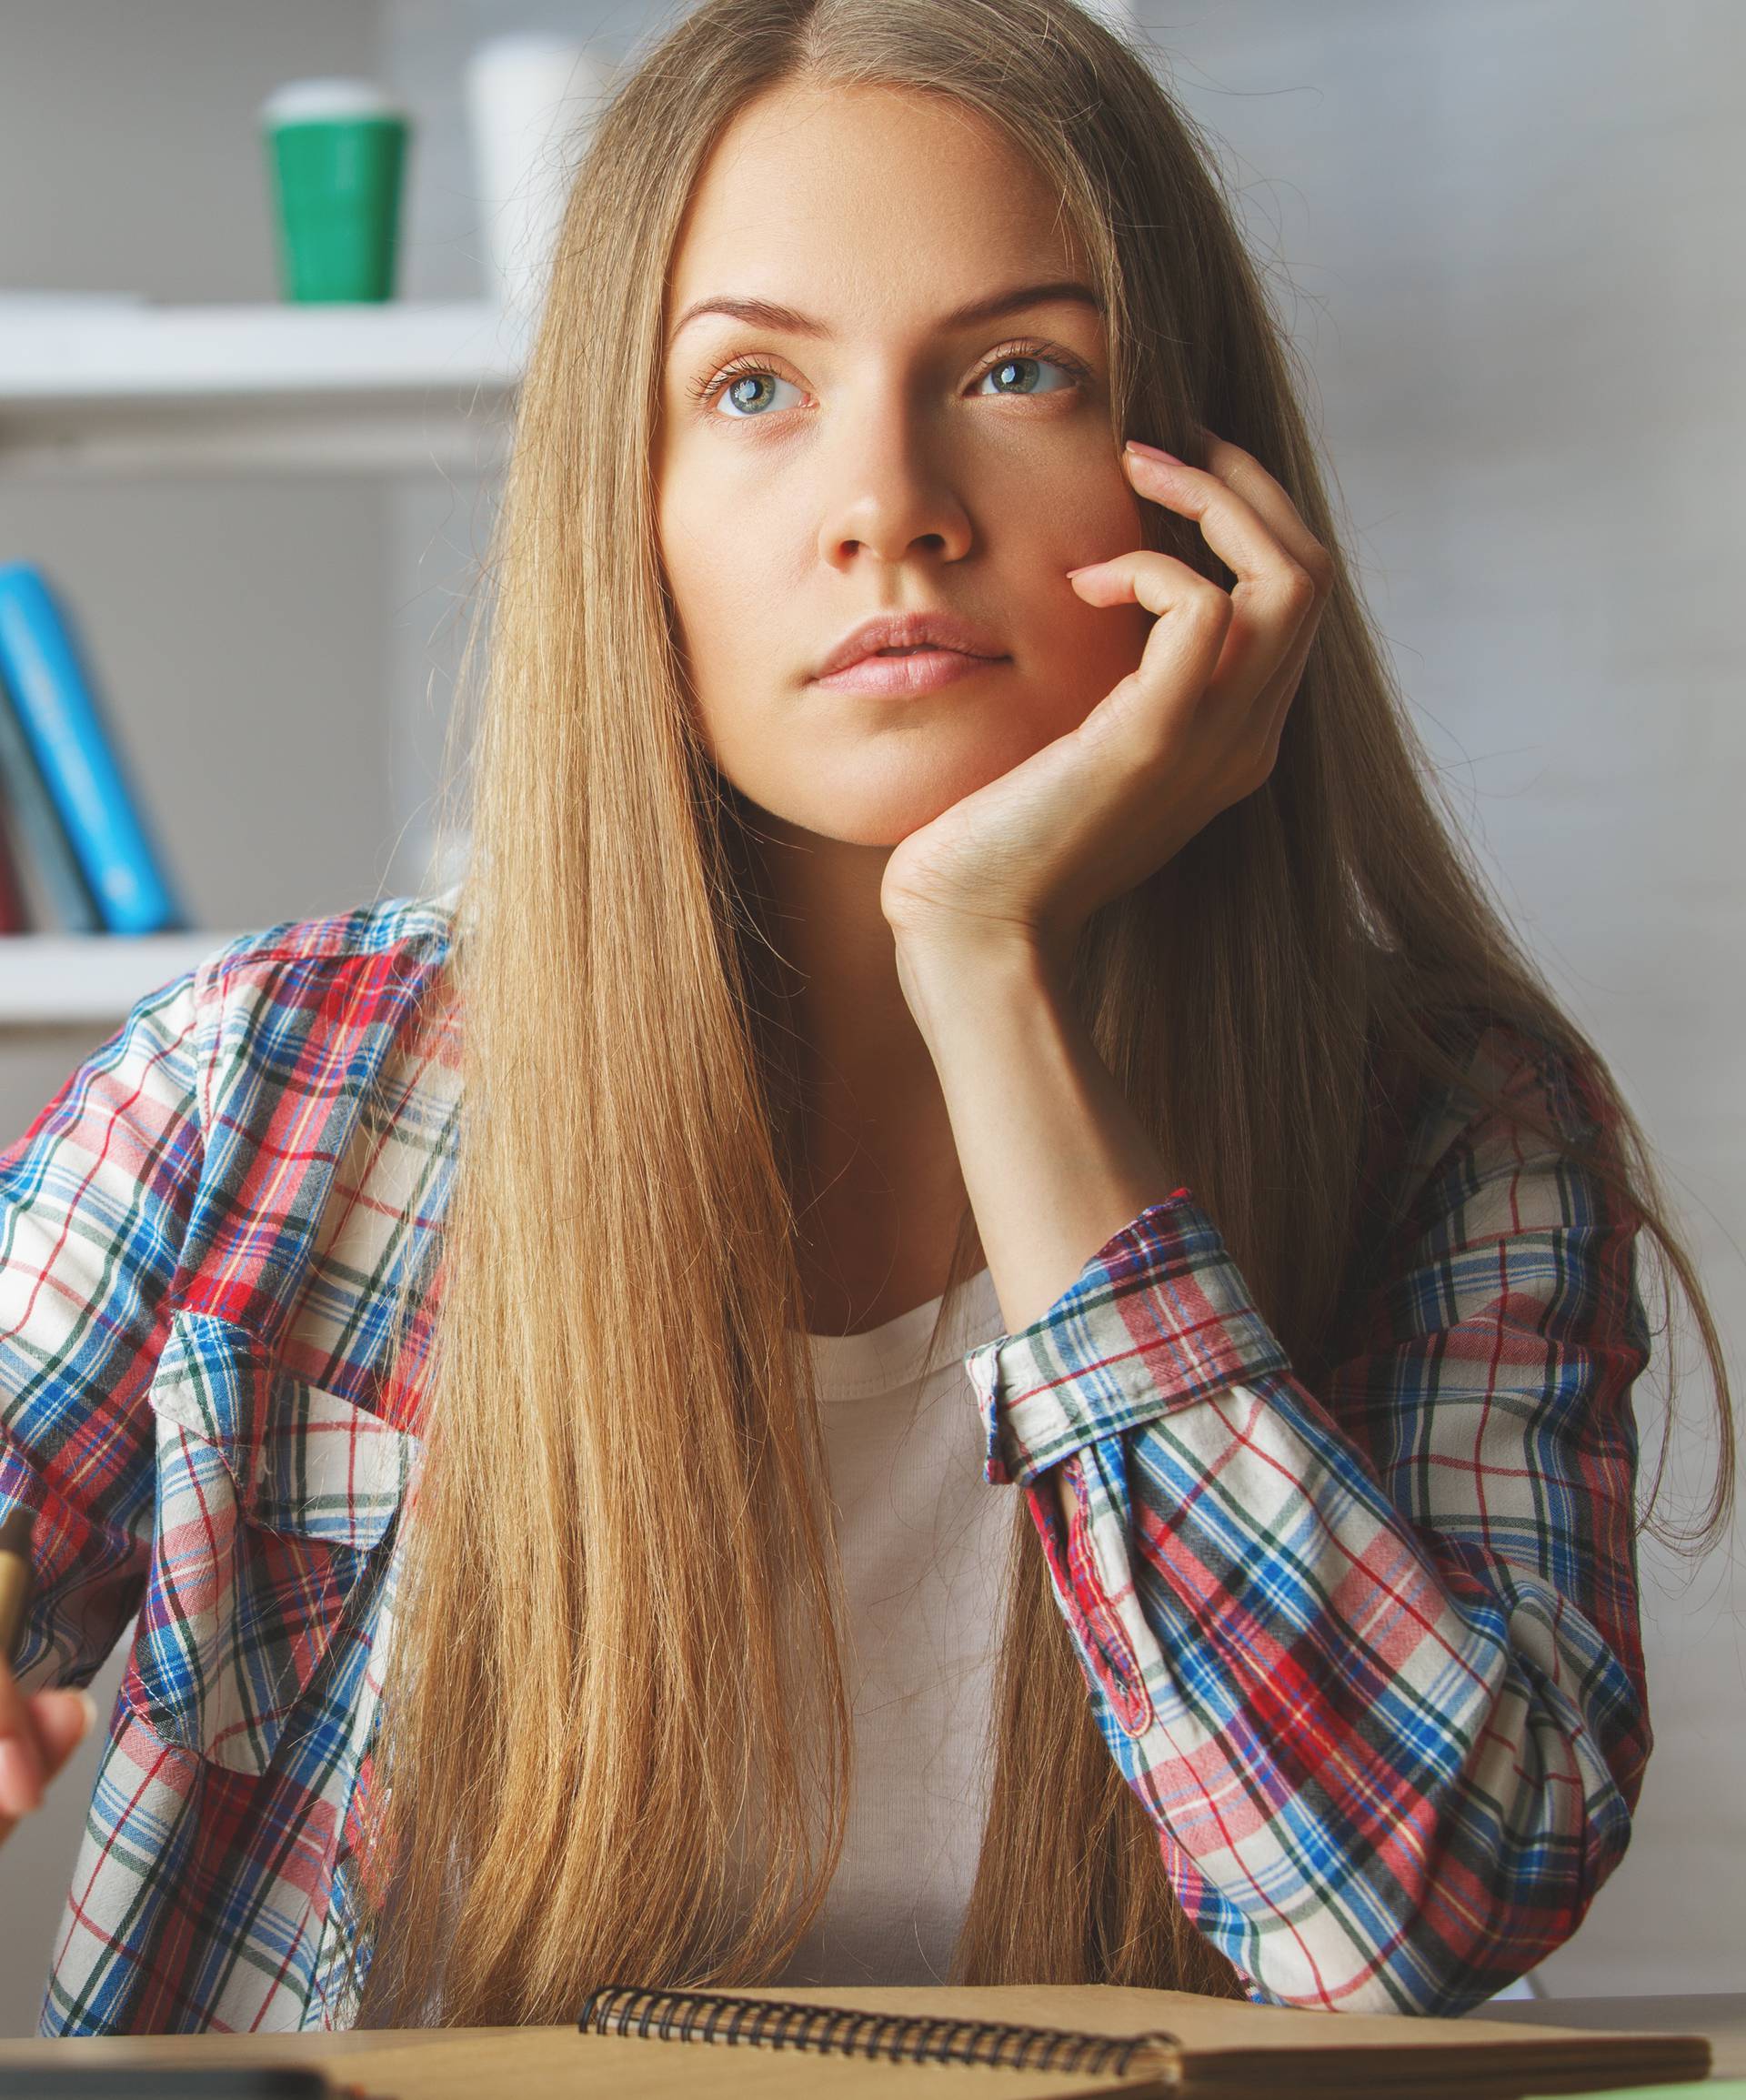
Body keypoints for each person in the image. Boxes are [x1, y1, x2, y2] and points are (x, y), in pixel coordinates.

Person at [0, 0, 1733, 2041]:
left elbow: (1414, 1924)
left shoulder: (1448, 1127)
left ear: (1206, 486)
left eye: (1019, 371)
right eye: (750, 387)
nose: (886, 504)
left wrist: (981, 958)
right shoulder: (265, 1092)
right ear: (617, 508)